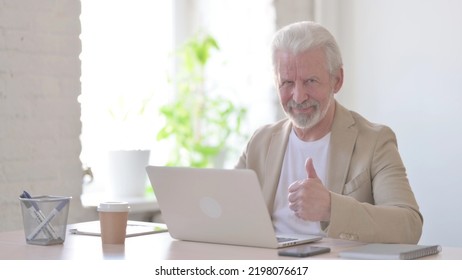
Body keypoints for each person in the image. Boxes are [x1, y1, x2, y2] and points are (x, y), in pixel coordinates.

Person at [235, 21, 423, 244]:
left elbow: (408, 226)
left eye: (310, 81)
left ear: (337, 80)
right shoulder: (260, 141)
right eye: (286, 82)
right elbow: (227, 209)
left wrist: (331, 208)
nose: (298, 96)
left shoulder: (375, 141)